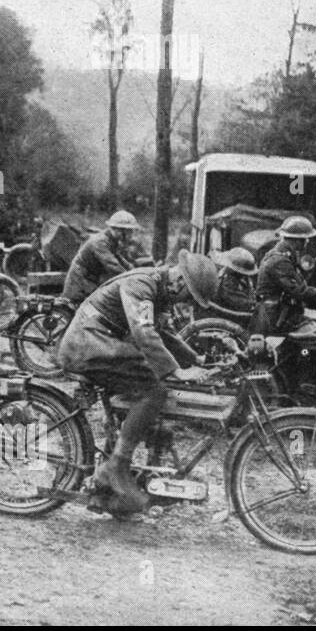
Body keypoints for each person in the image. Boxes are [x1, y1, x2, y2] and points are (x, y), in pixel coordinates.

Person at [57, 251, 220, 513]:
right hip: (87, 344)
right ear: (179, 280)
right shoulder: (142, 284)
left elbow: (163, 333)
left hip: (101, 342)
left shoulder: (159, 289)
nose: (187, 304)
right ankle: (116, 467)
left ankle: (108, 487)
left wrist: (196, 359)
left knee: (142, 391)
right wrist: (176, 371)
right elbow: (143, 330)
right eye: (188, 297)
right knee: (153, 391)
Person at [251, 216, 316, 413]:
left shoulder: (283, 254)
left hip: (283, 313)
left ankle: (311, 387)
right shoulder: (279, 260)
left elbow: (300, 286)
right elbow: (300, 292)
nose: (308, 242)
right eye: (305, 238)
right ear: (296, 240)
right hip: (279, 317)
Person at [61, 210, 140, 304]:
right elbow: (112, 265)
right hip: (80, 283)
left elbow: (119, 259)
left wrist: (135, 272)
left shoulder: (111, 241)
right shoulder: (100, 242)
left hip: (90, 282)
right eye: (128, 232)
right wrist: (131, 279)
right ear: (117, 230)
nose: (130, 235)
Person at [211, 247, 257, 313]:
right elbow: (237, 301)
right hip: (230, 312)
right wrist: (253, 303)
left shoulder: (235, 277)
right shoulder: (228, 281)